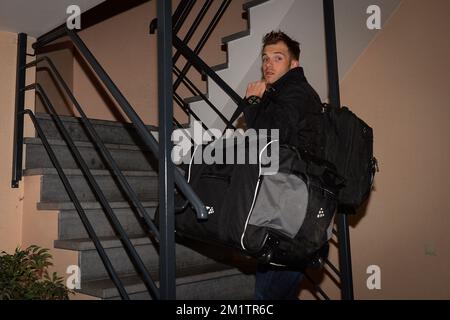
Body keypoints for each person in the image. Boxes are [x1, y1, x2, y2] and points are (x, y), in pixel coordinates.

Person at [242, 31, 323, 300]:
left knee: (267, 295)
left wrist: (252, 101)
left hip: (292, 212)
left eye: (278, 58)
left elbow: (268, 137)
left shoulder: (295, 91)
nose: (268, 64)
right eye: (265, 58)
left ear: (294, 65)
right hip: (293, 208)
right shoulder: (283, 94)